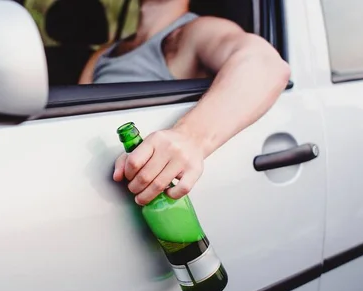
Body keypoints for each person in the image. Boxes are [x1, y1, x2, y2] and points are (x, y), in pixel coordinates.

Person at [79, 0, 290, 206]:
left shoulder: (196, 32)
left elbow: (264, 63)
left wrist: (190, 137)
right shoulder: (102, 54)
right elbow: (79, 122)